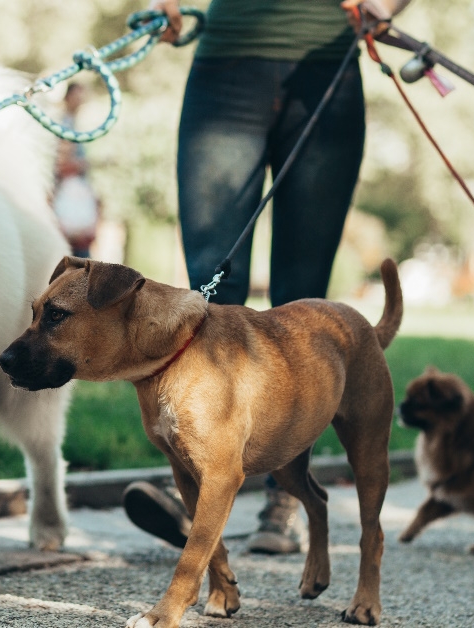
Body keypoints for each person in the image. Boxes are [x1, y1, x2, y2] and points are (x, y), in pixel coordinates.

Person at [122, 0, 410, 554]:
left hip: (327, 61)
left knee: (301, 302)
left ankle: (286, 495)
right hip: (226, 67)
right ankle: (201, 481)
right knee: (210, 286)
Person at [52, 83, 101, 258]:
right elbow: (62, 162)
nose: (80, 101)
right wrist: (83, 164)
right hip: (68, 198)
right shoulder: (65, 125)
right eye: (76, 96)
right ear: (68, 98)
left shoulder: (72, 123)